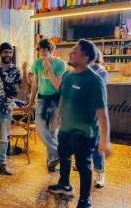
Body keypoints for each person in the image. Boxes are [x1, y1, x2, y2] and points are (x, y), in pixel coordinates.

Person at [47, 40, 111, 208]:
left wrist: (105, 140)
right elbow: (63, 96)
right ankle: (65, 185)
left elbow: (102, 113)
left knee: (83, 167)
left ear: (85, 57)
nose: (70, 54)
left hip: (85, 133)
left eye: (74, 52)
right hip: (66, 130)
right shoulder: (68, 76)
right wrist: (57, 117)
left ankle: (84, 201)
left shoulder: (95, 81)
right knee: (64, 157)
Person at [0, 42, 27, 175]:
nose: (8, 55)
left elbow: (24, 90)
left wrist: (24, 71)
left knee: (4, 139)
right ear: (0, 53)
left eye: (10, 52)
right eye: (5, 52)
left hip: (6, 110)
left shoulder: (15, 71)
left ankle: (1, 164)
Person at [25, 38, 66, 172]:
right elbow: (35, 84)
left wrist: (49, 69)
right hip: (42, 100)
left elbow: (58, 86)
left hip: (55, 100)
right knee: (40, 128)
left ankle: (51, 161)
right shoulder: (37, 63)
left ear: (51, 49)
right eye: (40, 49)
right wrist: (31, 103)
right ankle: (60, 154)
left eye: (45, 49)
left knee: (53, 131)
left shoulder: (60, 64)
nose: (42, 51)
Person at [90, 48, 108, 188]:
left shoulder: (101, 71)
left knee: (97, 144)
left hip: (96, 112)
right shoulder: (80, 71)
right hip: (83, 113)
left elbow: (95, 88)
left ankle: (100, 173)